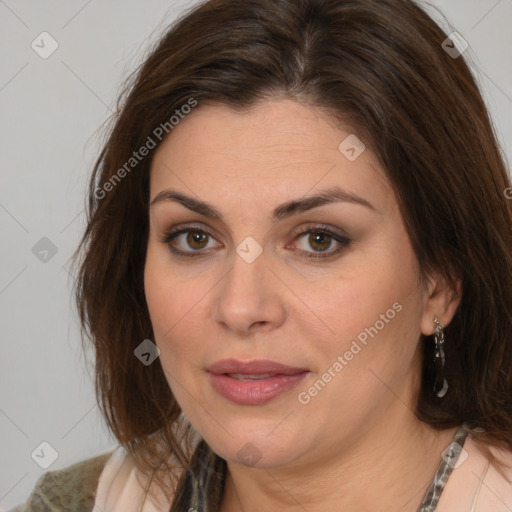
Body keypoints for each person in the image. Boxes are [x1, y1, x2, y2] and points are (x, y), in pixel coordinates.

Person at [11, 0, 512, 510]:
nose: (240, 308)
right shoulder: (73, 503)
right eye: (194, 238)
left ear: (442, 282)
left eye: (319, 240)